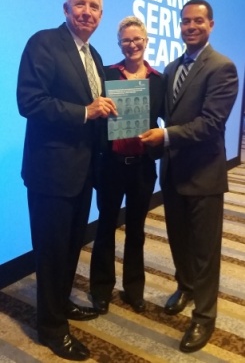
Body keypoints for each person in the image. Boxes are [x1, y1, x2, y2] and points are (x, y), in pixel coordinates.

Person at [16, 0, 117, 361]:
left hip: (83, 172)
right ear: (65, 8)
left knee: (71, 247)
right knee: (51, 251)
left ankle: (60, 304)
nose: (87, 11)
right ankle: (52, 328)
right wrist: (85, 112)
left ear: (101, 16)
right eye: (80, 4)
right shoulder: (44, 43)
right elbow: (30, 101)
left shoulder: (94, 55)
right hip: (51, 172)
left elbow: (98, 111)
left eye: (94, 6)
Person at [140, 0, 238, 353]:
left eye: (198, 21)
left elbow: (211, 125)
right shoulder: (171, 67)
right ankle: (185, 286)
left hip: (204, 175)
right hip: (174, 171)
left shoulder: (222, 67)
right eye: (185, 22)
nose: (190, 27)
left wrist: (164, 136)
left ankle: (204, 317)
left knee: (205, 251)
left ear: (210, 25)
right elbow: (164, 110)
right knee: (178, 240)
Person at [89, 16, 166, 314]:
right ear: (119, 43)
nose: (132, 45)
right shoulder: (106, 74)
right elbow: (95, 116)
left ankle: (134, 289)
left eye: (137, 39)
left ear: (146, 42)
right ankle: (101, 290)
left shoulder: (158, 80)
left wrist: (160, 138)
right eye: (126, 40)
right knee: (105, 227)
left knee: (136, 229)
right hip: (111, 165)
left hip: (142, 168)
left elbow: (163, 122)